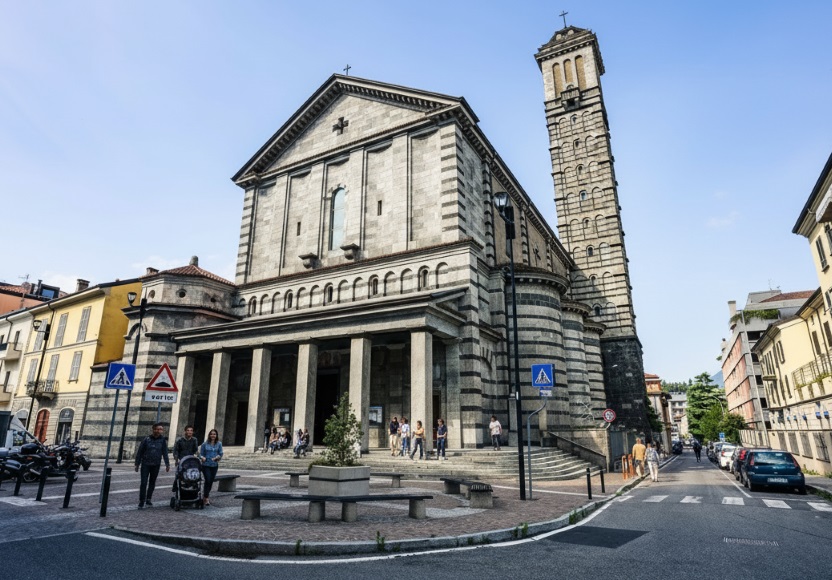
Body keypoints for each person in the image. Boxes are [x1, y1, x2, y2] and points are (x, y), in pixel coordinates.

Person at [134, 422, 170, 509]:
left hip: (156, 464)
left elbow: (165, 452)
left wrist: (167, 464)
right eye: (157, 429)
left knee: (152, 482)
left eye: (161, 429)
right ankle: (141, 500)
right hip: (146, 464)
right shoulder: (146, 439)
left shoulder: (162, 440)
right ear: (153, 429)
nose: (159, 431)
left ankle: (149, 498)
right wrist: (137, 464)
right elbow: (140, 452)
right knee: (143, 482)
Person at [199, 428, 223, 506]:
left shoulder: (219, 444)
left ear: (216, 436)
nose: (213, 435)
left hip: (214, 465)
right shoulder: (204, 444)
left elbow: (221, 453)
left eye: (214, 434)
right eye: (211, 434)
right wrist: (202, 457)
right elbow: (200, 454)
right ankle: (206, 498)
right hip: (206, 465)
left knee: (211, 481)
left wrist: (217, 457)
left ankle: (205, 496)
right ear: (209, 435)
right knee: (208, 480)